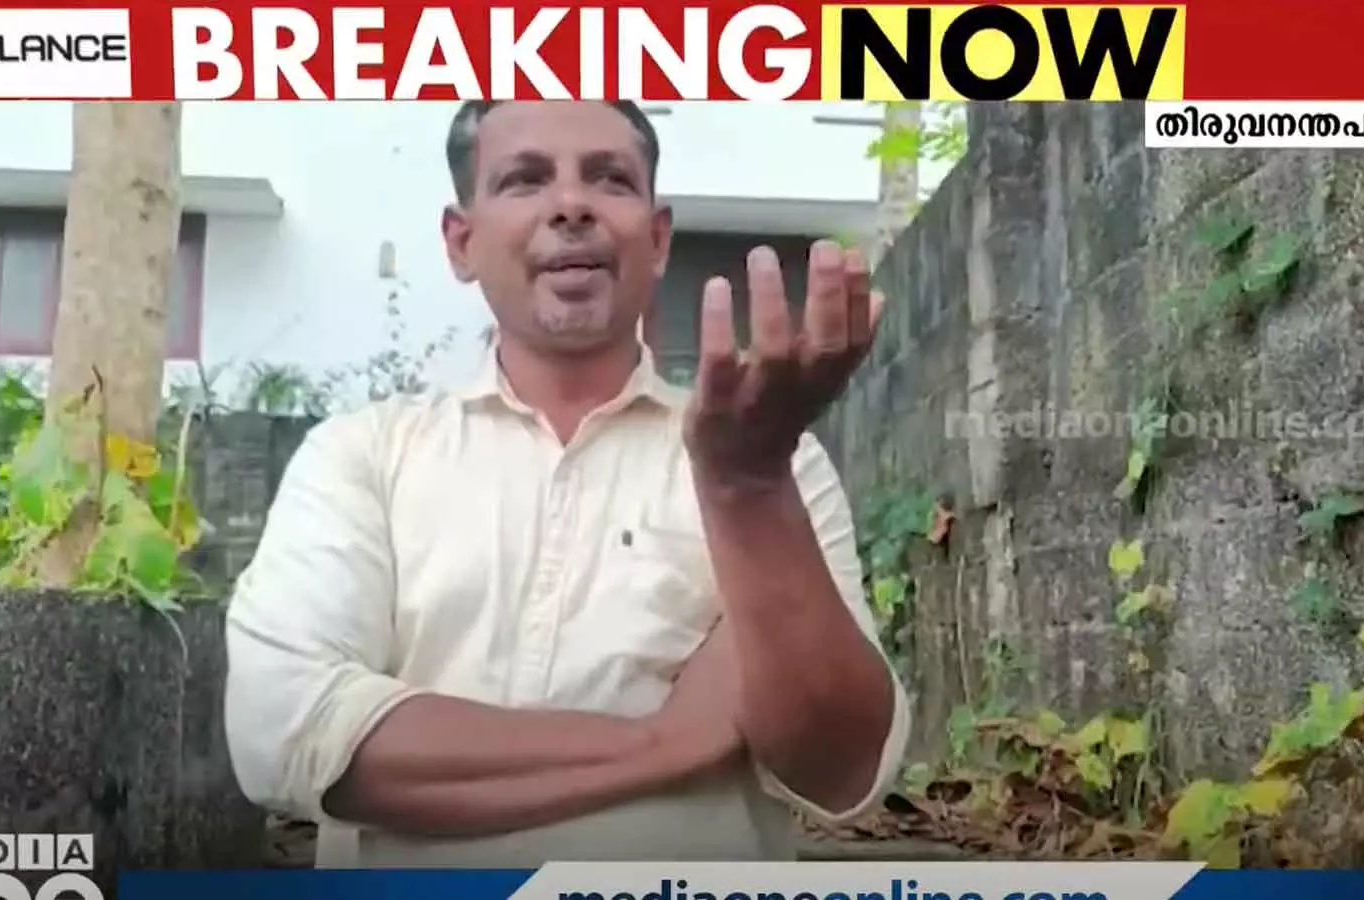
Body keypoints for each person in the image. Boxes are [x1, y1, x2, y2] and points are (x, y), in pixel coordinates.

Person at [223, 100, 912, 867]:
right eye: (525, 179)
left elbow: (842, 769)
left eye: (610, 179)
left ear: (658, 238)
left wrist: (746, 491)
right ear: (461, 241)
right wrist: (668, 741)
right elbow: (284, 729)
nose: (572, 204)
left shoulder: (773, 461)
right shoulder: (362, 457)